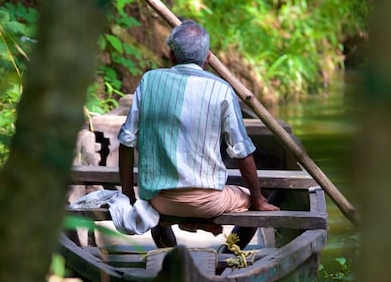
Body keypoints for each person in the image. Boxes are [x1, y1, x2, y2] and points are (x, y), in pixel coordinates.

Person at [117, 20, 278, 248]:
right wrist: (259, 200)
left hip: (158, 201)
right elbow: (241, 151)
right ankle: (227, 257)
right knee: (253, 199)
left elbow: (126, 142)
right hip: (208, 202)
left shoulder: (149, 81)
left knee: (159, 208)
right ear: (208, 59)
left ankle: (172, 248)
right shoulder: (221, 89)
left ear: (171, 57)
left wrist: (128, 195)